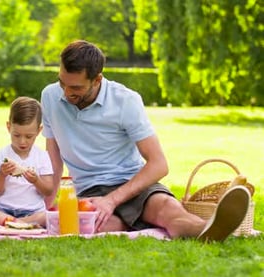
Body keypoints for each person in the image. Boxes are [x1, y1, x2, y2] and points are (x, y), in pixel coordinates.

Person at [40, 40, 251, 242]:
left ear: (97, 80)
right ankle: (137, 223)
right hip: (90, 191)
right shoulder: (50, 97)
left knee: (169, 210)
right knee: (91, 226)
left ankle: (211, 229)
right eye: (62, 83)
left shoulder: (125, 100)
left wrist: (112, 200)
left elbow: (159, 164)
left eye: (75, 88)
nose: (66, 93)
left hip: (133, 183)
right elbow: (54, 158)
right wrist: (45, 205)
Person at [0, 97, 54, 226]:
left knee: (47, 216)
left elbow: (48, 191)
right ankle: (17, 223)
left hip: (32, 212)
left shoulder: (42, 156)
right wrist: (2, 175)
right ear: (9, 127)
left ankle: (15, 223)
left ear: (39, 130)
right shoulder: (1, 154)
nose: (22, 141)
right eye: (17, 135)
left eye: (29, 136)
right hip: (4, 210)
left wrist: (36, 181)